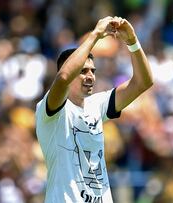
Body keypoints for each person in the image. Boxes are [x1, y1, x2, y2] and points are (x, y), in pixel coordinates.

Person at [35, 16, 153, 202]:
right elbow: (64, 77)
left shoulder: (97, 105)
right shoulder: (51, 110)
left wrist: (132, 42)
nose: (90, 76)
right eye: (83, 71)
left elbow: (143, 82)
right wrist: (96, 34)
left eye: (92, 71)